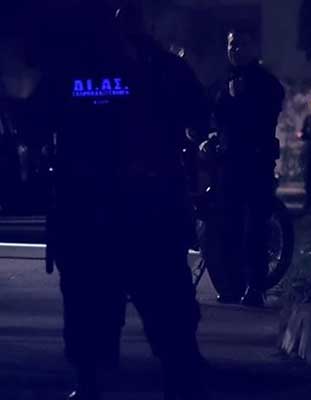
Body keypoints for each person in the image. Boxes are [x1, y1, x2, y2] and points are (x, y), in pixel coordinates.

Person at [26, 2, 210, 399]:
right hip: (139, 218)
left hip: (99, 218)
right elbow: (200, 120)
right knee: (164, 326)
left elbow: (33, 126)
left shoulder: (75, 66)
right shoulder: (163, 68)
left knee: (104, 323)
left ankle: (99, 383)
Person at [212, 28, 285, 307]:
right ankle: (232, 285)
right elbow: (216, 118)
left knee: (255, 226)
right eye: (232, 44)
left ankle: (255, 287)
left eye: (242, 44)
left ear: (253, 48)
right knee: (227, 225)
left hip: (256, 163)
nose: (236, 50)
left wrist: (242, 98)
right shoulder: (224, 81)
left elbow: (265, 118)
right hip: (228, 163)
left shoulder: (266, 83)